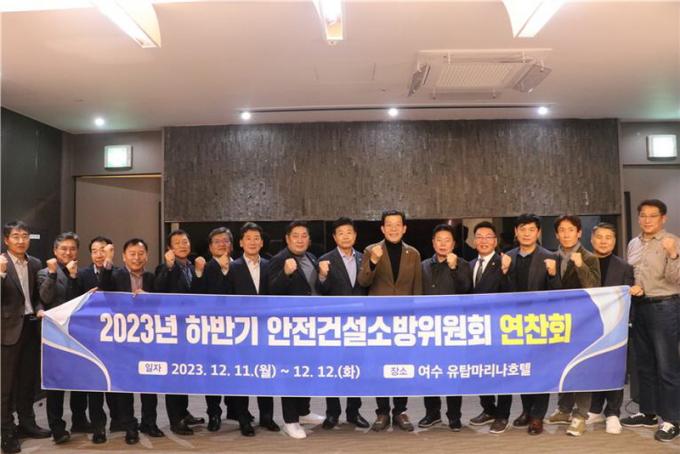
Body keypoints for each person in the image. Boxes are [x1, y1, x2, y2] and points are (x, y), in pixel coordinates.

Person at [357, 210, 422, 432]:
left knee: (402, 366)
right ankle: (382, 411)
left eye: (397, 225)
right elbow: (363, 281)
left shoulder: (413, 254)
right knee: (380, 366)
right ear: (382, 229)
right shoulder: (371, 250)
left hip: (404, 321)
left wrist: (417, 320)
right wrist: (373, 262)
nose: (393, 229)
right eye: (389, 225)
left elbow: (417, 289)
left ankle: (400, 411)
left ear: (404, 228)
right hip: (380, 322)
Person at [621, 199, 680, 443]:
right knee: (643, 364)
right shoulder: (633, 243)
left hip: (664, 306)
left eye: (652, 215)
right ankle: (648, 412)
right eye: (643, 215)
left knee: (666, 365)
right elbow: (631, 273)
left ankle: (673, 419)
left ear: (663, 218)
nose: (647, 220)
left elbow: (676, 279)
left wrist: (673, 254)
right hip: (639, 307)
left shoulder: (673, 241)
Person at [100, 238, 165, 444]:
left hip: (147, 340)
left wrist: (149, 298)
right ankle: (130, 426)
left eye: (140, 253)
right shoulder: (115, 275)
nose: (137, 258)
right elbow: (103, 290)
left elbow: (163, 304)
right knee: (126, 385)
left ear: (147, 255)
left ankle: (149, 422)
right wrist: (107, 262)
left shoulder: (152, 277)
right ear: (124, 256)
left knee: (149, 384)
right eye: (132, 254)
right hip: (122, 340)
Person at [504, 214, 561, 435]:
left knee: (540, 370)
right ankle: (527, 411)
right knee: (522, 369)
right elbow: (501, 292)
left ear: (538, 232)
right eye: (522, 229)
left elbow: (559, 294)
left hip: (539, 324)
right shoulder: (507, 257)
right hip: (514, 324)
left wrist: (553, 274)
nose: (526, 233)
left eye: (531, 229)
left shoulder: (550, 257)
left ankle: (538, 417)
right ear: (516, 232)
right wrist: (503, 272)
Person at [268, 221, 325, 439]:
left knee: (306, 371)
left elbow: (315, 290)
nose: (300, 240)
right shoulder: (279, 260)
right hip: (290, 328)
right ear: (287, 238)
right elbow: (271, 292)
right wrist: (285, 273)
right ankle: (290, 420)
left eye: (304, 236)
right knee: (291, 373)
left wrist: (323, 277)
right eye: (295, 236)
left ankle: (303, 411)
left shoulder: (312, 258)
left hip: (312, 327)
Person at [547, 215, 600, 437]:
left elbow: (594, 287)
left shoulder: (589, 257)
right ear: (556, 234)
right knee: (563, 365)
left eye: (570, 229)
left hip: (583, 322)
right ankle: (564, 408)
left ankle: (581, 415)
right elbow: (550, 292)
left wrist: (580, 265)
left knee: (581, 367)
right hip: (558, 322)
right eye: (562, 230)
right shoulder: (551, 257)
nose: (566, 234)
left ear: (579, 233)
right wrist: (551, 274)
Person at [225, 222, 280, 433]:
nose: (253, 242)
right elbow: (224, 299)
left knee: (265, 372)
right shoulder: (232, 267)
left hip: (266, 330)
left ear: (262, 242)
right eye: (248, 238)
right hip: (241, 332)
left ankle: (267, 417)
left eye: (256, 238)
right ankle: (244, 419)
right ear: (240, 242)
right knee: (243, 375)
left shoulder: (270, 265)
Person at [1, 221, 50, 454]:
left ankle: (27, 423)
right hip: (7, 331)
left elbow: (36, 296)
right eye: (16, 236)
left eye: (25, 236)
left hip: (31, 327)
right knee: (5, 386)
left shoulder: (36, 263)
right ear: (6, 240)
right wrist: (1, 274)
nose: (21, 240)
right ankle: (6, 431)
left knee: (27, 381)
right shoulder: (1, 263)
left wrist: (39, 308)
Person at [316, 218, 370, 430]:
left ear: (355, 235)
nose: (345, 236)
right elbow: (321, 290)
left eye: (349, 232)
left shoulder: (365, 258)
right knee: (333, 368)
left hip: (359, 324)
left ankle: (353, 412)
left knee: (355, 368)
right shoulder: (325, 260)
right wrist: (322, 275)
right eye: (341, 233)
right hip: (334, 325)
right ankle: (332, 413)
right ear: (334, 237)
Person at [37, 232, 90, 445]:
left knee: (79, 380)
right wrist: (52, 274)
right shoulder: (44, 272)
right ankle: (57, 427)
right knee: (56, 383)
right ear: (55, 250)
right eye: (64, 248)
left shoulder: (82, 273)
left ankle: (80, 419)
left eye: (72, 248)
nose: (68, 252)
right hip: (54, 335)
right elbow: (45, 298)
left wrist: (75, 277)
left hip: (78, 334)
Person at [418, 224, 472, 431]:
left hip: (453, 329)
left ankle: (454, 416)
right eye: (439, 240)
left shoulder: (463, 265)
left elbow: (466, 289)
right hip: (428, 329)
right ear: (433, 243)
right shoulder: (422, 266)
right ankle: (432, 413)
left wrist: (454, 268)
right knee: (429, 371)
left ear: (454, 244)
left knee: (452, 372)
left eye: (447, 240)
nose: (442, 244)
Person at [154, 229, 205, 435]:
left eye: (185, 242)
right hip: (173, 330)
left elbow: (199, 296)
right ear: (169, 248)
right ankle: (175, 420)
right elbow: (159, 290)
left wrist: (200, 273)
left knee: (184, 373)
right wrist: (169, 267)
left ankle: (184, 412)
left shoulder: (193, 267)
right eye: (177, 243)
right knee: (174, 375)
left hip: (191, 330)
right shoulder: (164, 267)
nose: (183, 246)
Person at [585, 222, 634, 434]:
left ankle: (613, 413)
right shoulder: (582, 262)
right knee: (593, 367)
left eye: (609, 237)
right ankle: (595, 409)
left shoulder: (624, 267)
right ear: (591, 239)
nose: (604, 241)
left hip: (616, 326)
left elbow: (629, 299)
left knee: (614, 369)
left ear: (614, 241)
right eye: (599, 237)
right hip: (588, 325)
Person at [467, 221, 513, 434]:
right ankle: (488, 409)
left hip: (498, 328)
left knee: (501, 372)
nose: (483, 241)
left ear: (495, 241)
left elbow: (513, 293)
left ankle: (502, 415)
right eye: (479, 237)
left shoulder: (505, 262)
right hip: (476, 329)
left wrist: (505, 271)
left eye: (488, 237)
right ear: (474, 241)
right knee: (480, 371)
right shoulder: (469, 265)